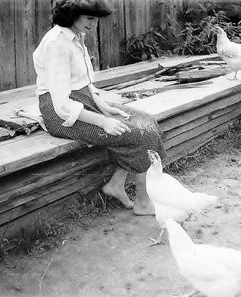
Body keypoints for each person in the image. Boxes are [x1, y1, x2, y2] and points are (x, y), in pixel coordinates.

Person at [33, 0, 166, 215]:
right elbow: (61, 104)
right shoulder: (56, 44)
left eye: (96, 19)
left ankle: (115, 185)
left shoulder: (76, 36)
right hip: (61, 115)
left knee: (148, 122)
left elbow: (85, 83)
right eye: (90, 18)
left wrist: (104, 107)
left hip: (84, 100)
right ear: (72, 15)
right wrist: (103, 121)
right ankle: (143, 202)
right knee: (142, 135)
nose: (94, 24)